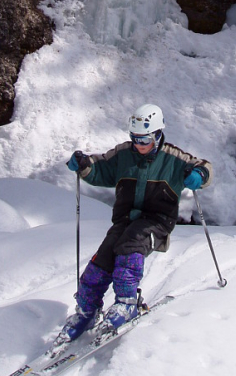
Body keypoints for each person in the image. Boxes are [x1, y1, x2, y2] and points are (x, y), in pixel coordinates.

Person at [58, 103, 212, 341]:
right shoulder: (123, 154)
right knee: (102, 260)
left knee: (131, 246)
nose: (139, 145)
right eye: (135, 139)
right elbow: (100, 168)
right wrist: (84, 165)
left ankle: (126, 303)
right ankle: (87, 310)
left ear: (158, 135)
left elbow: (204, 167)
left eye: (145, 140)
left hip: (157, 222)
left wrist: (199, 175)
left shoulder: (173, 158)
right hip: (125, 220)